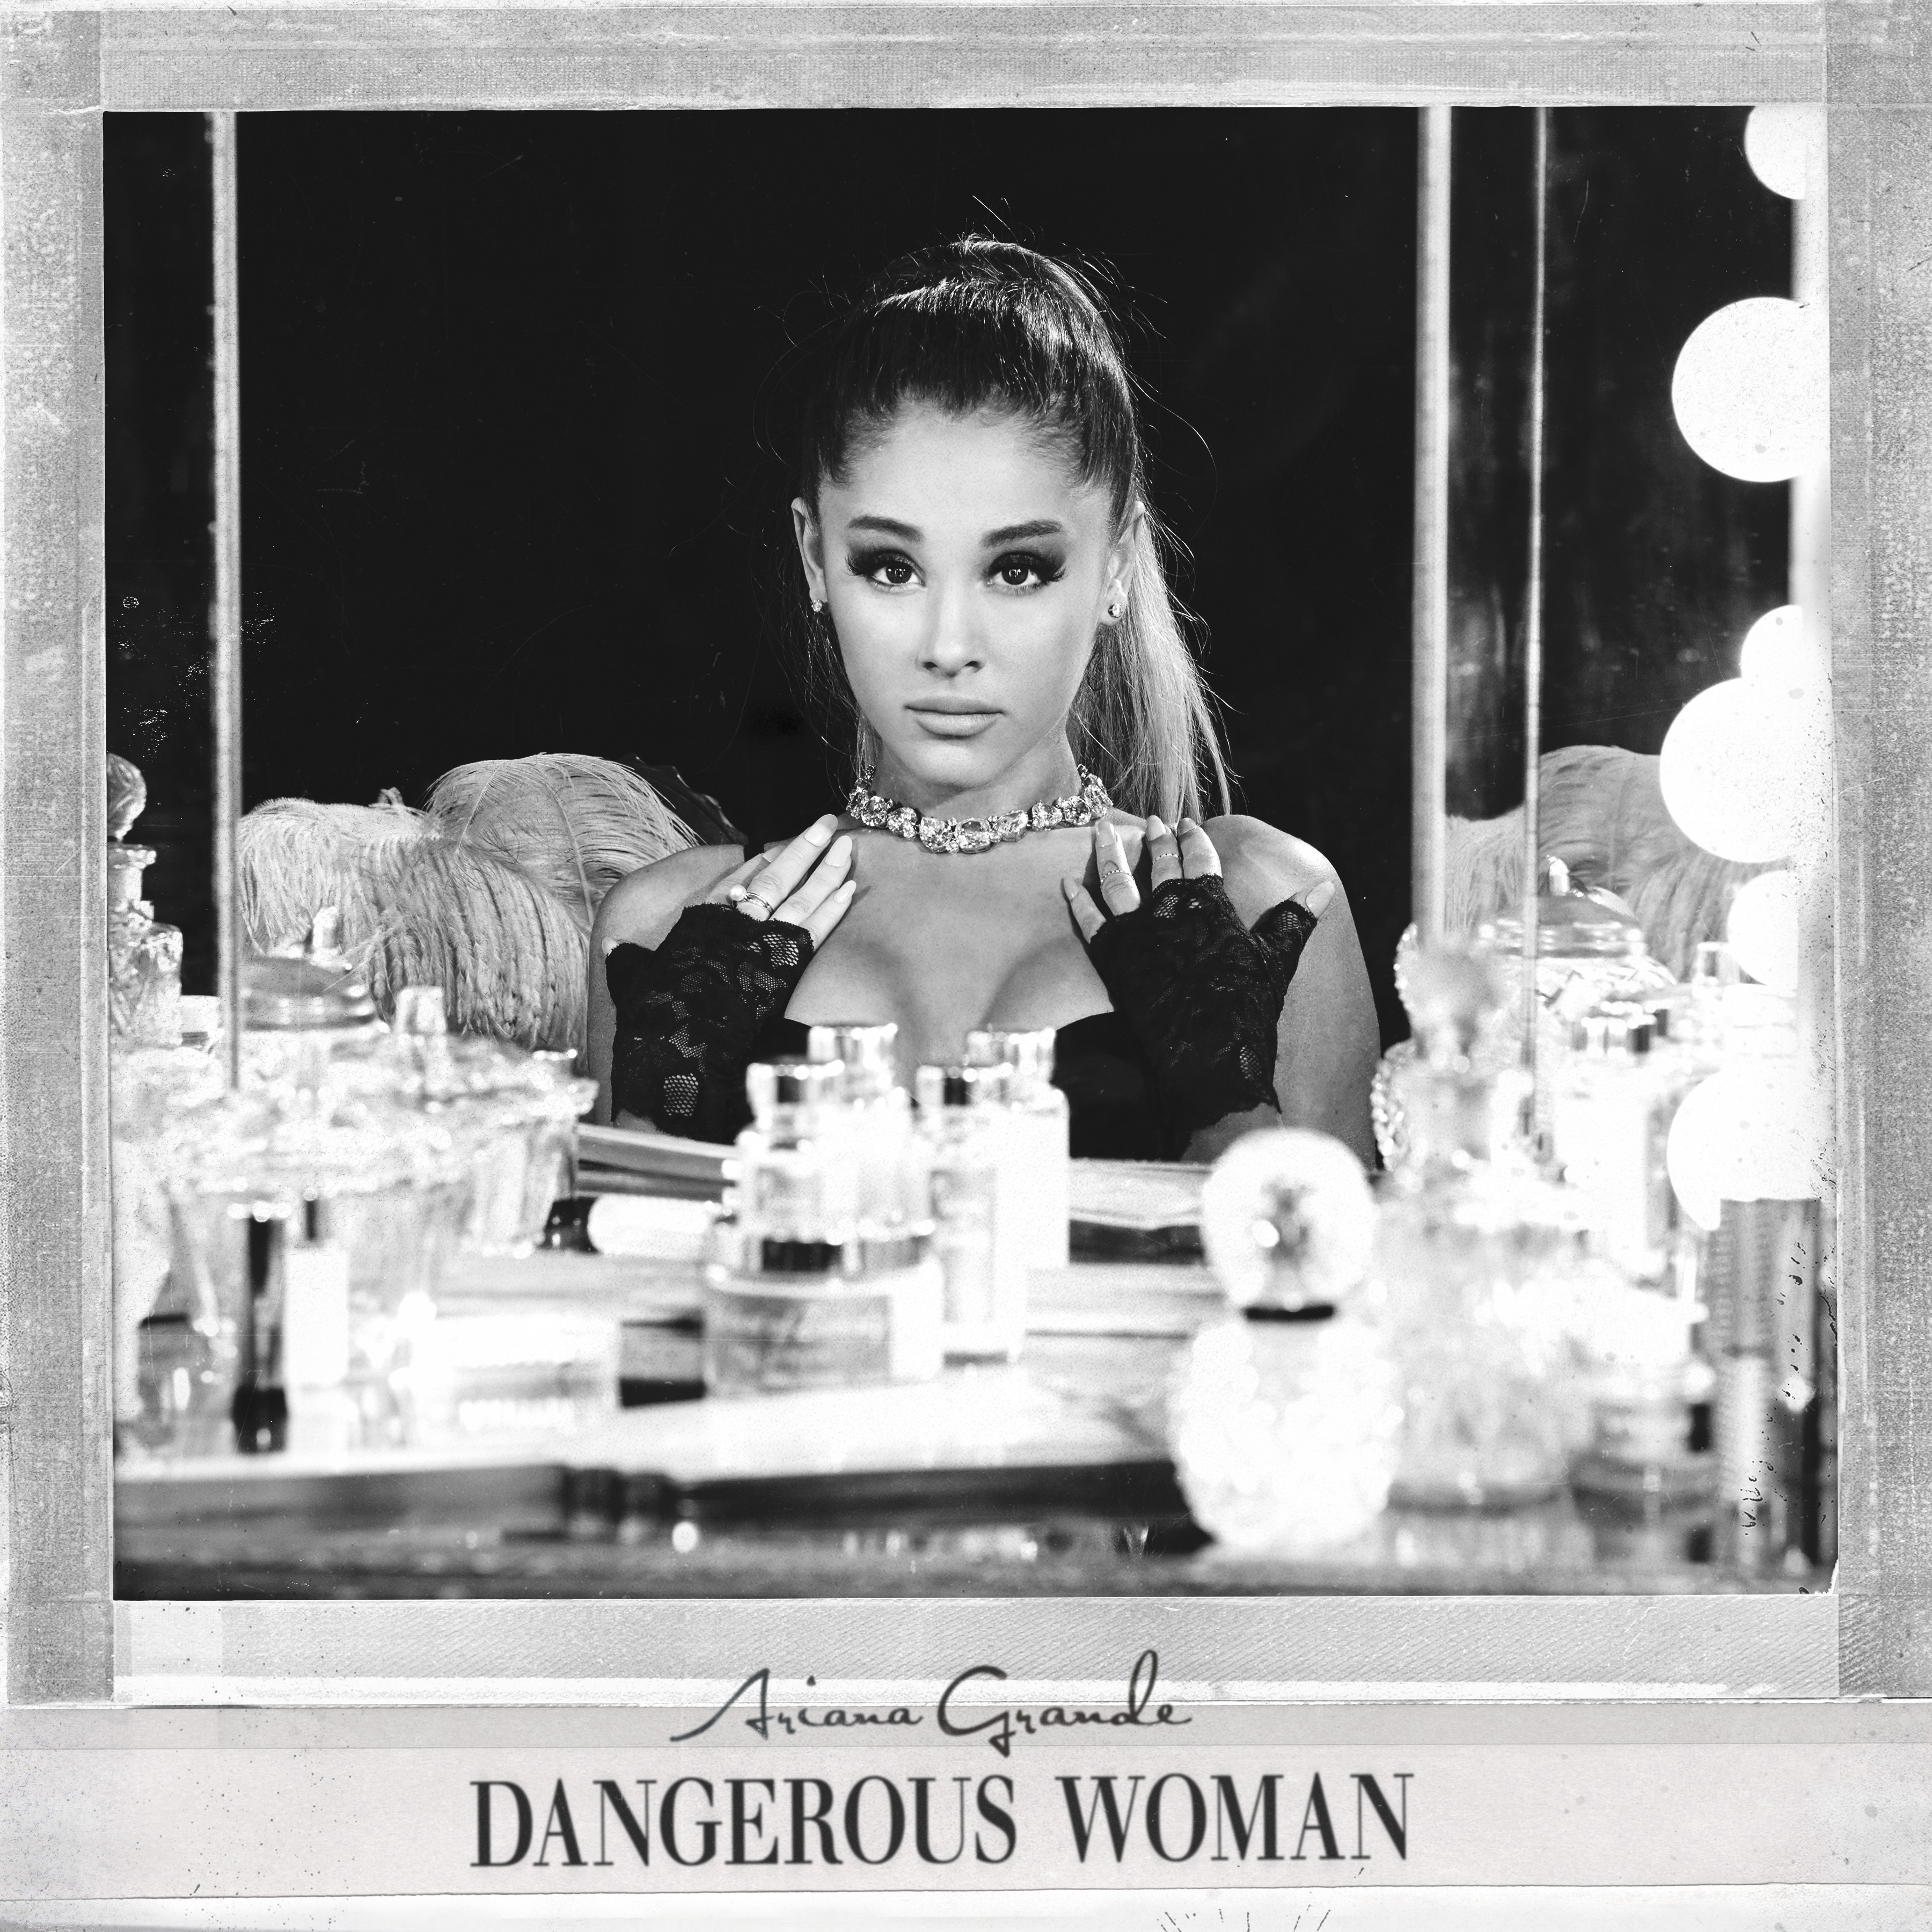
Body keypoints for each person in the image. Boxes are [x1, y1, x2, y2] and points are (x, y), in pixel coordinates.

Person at [587, 238, 1379, 1165]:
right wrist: (662, 1112)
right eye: (892, 568)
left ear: (1117, 564)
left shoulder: (1265, 902)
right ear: (814, 559)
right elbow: (610, 1256)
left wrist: (1228, 1110)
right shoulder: (661, 929)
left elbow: (1329, 1259)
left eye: (1017, 569)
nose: (949, 646)